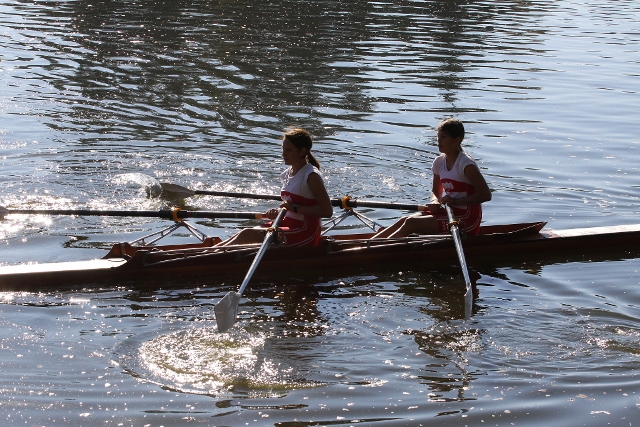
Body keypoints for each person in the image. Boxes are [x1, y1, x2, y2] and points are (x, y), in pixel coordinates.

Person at [373, 118, 491, 239]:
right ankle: (366, 245)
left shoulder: (466, 164)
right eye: (438, 136)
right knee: (405, 219)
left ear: (457, 140)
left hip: (467, 220)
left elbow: (486, 195)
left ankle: (376, 249)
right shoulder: (439, 162)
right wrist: (435, 201)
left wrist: (455, 201)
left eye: (443, 137)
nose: (438, 141)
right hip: (449, 212)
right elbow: (436, 191)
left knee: (411, 223)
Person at [217, 128, 333, 247]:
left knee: (248, 234)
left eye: (289, 150)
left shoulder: (311, 175)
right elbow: (290, 206)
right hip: (286, 222)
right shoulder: (287, 173)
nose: (283, 154)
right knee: (243, 233)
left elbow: (327, 211)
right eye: (283, 149)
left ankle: (211, 255)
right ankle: (209, 252)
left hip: (305, 231)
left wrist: (294, 208)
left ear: (302, 151)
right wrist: (277, 212)